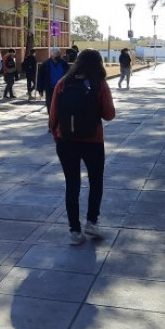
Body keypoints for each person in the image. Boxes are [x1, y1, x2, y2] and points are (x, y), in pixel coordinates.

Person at [49, 49, 116, 245]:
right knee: (96, 182)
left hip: (66, 141)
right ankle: (92, 223)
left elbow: (53, 116)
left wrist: (57, 135)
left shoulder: (63, 83)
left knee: (72, 184)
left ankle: (75, 231)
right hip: (92, 141)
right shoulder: (99, 84)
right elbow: (109, 114)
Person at [37, 48, 70, 114]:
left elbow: (68, 75)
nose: (57, 58)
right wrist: (40, 89)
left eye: (58, 56)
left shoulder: (64, 63)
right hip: (50, 88)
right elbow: (40, 77)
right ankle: (51, 118)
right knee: (50, 105)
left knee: (61, 106)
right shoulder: (46, 64)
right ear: (51, 56)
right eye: (55, 56)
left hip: (61, 89)